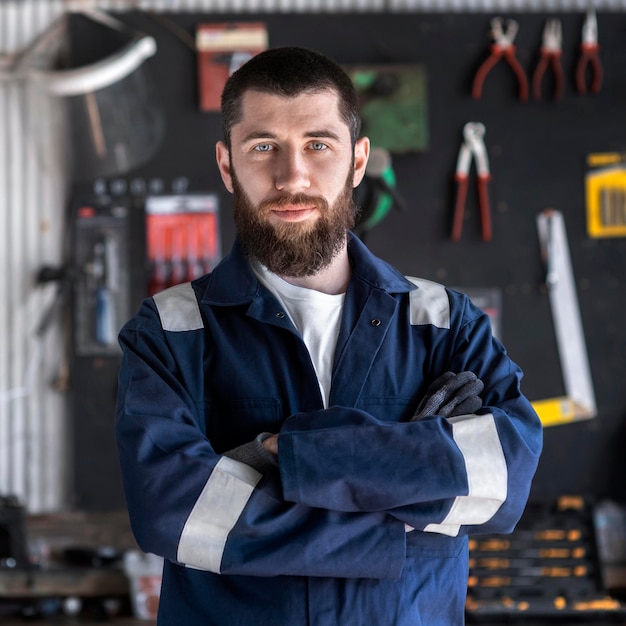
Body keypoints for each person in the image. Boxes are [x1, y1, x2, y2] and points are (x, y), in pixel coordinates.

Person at [115, 46, 543, 625]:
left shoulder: (445, 322)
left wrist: (278, 454)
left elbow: (502, 481)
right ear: (226, 165)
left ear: (358, 160)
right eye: (263, 146)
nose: (293, 175)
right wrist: (406, 487)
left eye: (319, 144)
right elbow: (178, 514)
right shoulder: (169, 332)